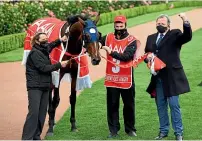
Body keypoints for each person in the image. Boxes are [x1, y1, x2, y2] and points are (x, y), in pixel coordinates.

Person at [144, 13, 192, 141]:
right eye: (158, 23)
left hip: (172, 77)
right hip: (158, 78)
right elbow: (147, 53)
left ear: (168, 25)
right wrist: (147, 57)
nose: (160, 25)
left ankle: (178, 133)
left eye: (162, 24)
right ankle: (163, 131)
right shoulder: (150, 38)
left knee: (174, 105)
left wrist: (185, 20)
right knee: (160, 105)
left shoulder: (174, 34)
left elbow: (187, 36)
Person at [21, 32, 68, 140]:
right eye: (43, 39)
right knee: (34, 113)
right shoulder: (35, 53)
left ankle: (36, 136)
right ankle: (27, 138)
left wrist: (60, 40)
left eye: (46, 39)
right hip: (35, 87)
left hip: (45, 87)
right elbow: (44, 68)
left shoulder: (44, 48)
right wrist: (60, 64)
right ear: (37, 41)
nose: (46, 41)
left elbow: (51, 45)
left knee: (42, 114)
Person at [100, 15, 140, 138]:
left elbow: (127, 57)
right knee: (112, 105)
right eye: (116, 26)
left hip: (126, 78)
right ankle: (113, 130)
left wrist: (111, 52)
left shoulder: (132, 40)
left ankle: (130, 129)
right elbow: (94, 40)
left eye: (121, 26)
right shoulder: (107, 37)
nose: (118, 28)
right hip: (112, 79)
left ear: (125, 25)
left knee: (129, 105)